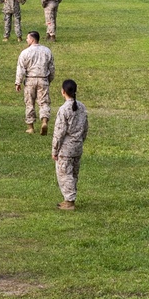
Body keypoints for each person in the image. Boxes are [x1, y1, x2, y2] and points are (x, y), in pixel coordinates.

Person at [52, 79, 89, 210]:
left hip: (66, 148)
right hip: (78, 146)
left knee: (64, 173)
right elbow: (85, 128)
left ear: (63, 91)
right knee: (73, 173)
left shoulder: (64, 110)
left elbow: (59, 132)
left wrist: (55, 150)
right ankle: (70, 197)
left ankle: (69, 201)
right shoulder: (82, 107)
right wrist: (80, 140)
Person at [16, 31, 55, 135]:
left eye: (27, 38)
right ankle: (44, 121)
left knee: (29, 103)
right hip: (43, 79)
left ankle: (30, 127)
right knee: (44, 102)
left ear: (32, 39)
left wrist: (18, 82)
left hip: (30, 80)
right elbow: (51, 67)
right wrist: (49, 79)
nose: (26, 40)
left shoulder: (25, 52)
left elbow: (21, 68)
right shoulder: (47, 51)